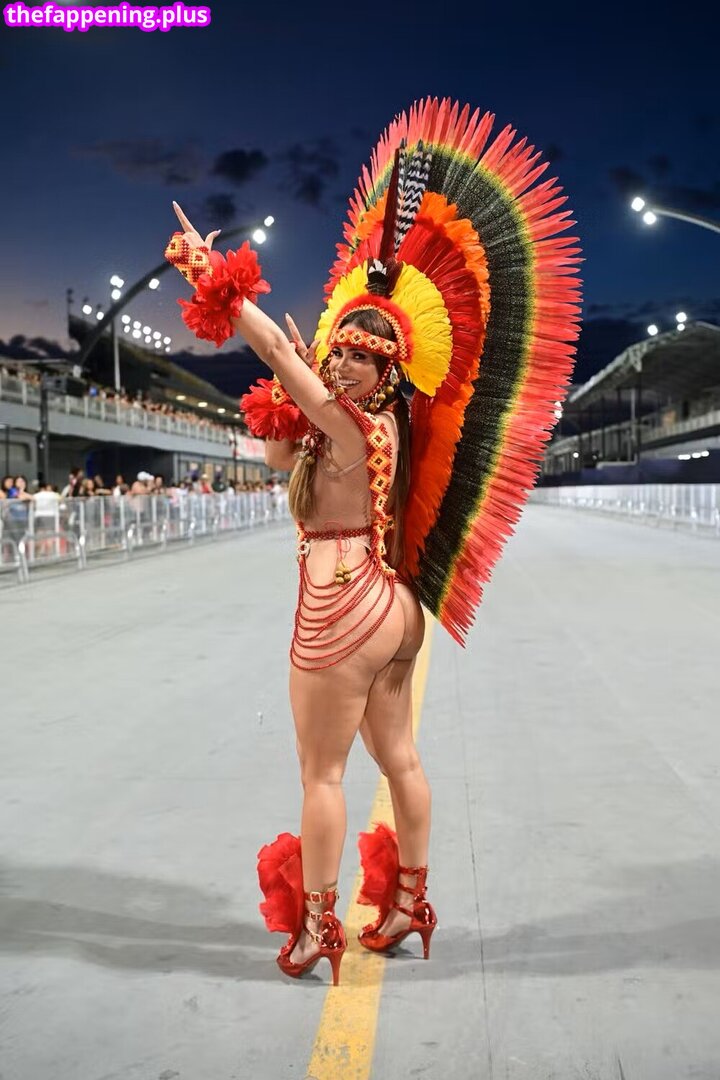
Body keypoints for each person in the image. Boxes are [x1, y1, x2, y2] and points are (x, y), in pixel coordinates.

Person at [166, 96, 581, 987]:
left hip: (340, 602)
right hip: (392, 604)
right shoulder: (359, 428)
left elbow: (279, 356)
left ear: (389, 372)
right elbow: (279, 447)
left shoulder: (357, 427)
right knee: (400, 759)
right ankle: (409, 904)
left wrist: (212, 273)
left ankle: (319, 928)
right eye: (341, 350)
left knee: (322, 775)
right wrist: (294, 400)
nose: (343, 362)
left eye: (361, 356)